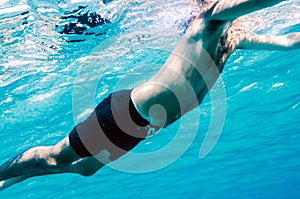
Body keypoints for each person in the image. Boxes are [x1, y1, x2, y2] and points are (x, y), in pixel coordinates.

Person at [1, 0, 299, 190]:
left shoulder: (233, 38)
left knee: (85, 169)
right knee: (55, 158)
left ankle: (8, 181)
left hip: (146, 126)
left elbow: (288, 43)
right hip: (130, 111)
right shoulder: (208, 19)